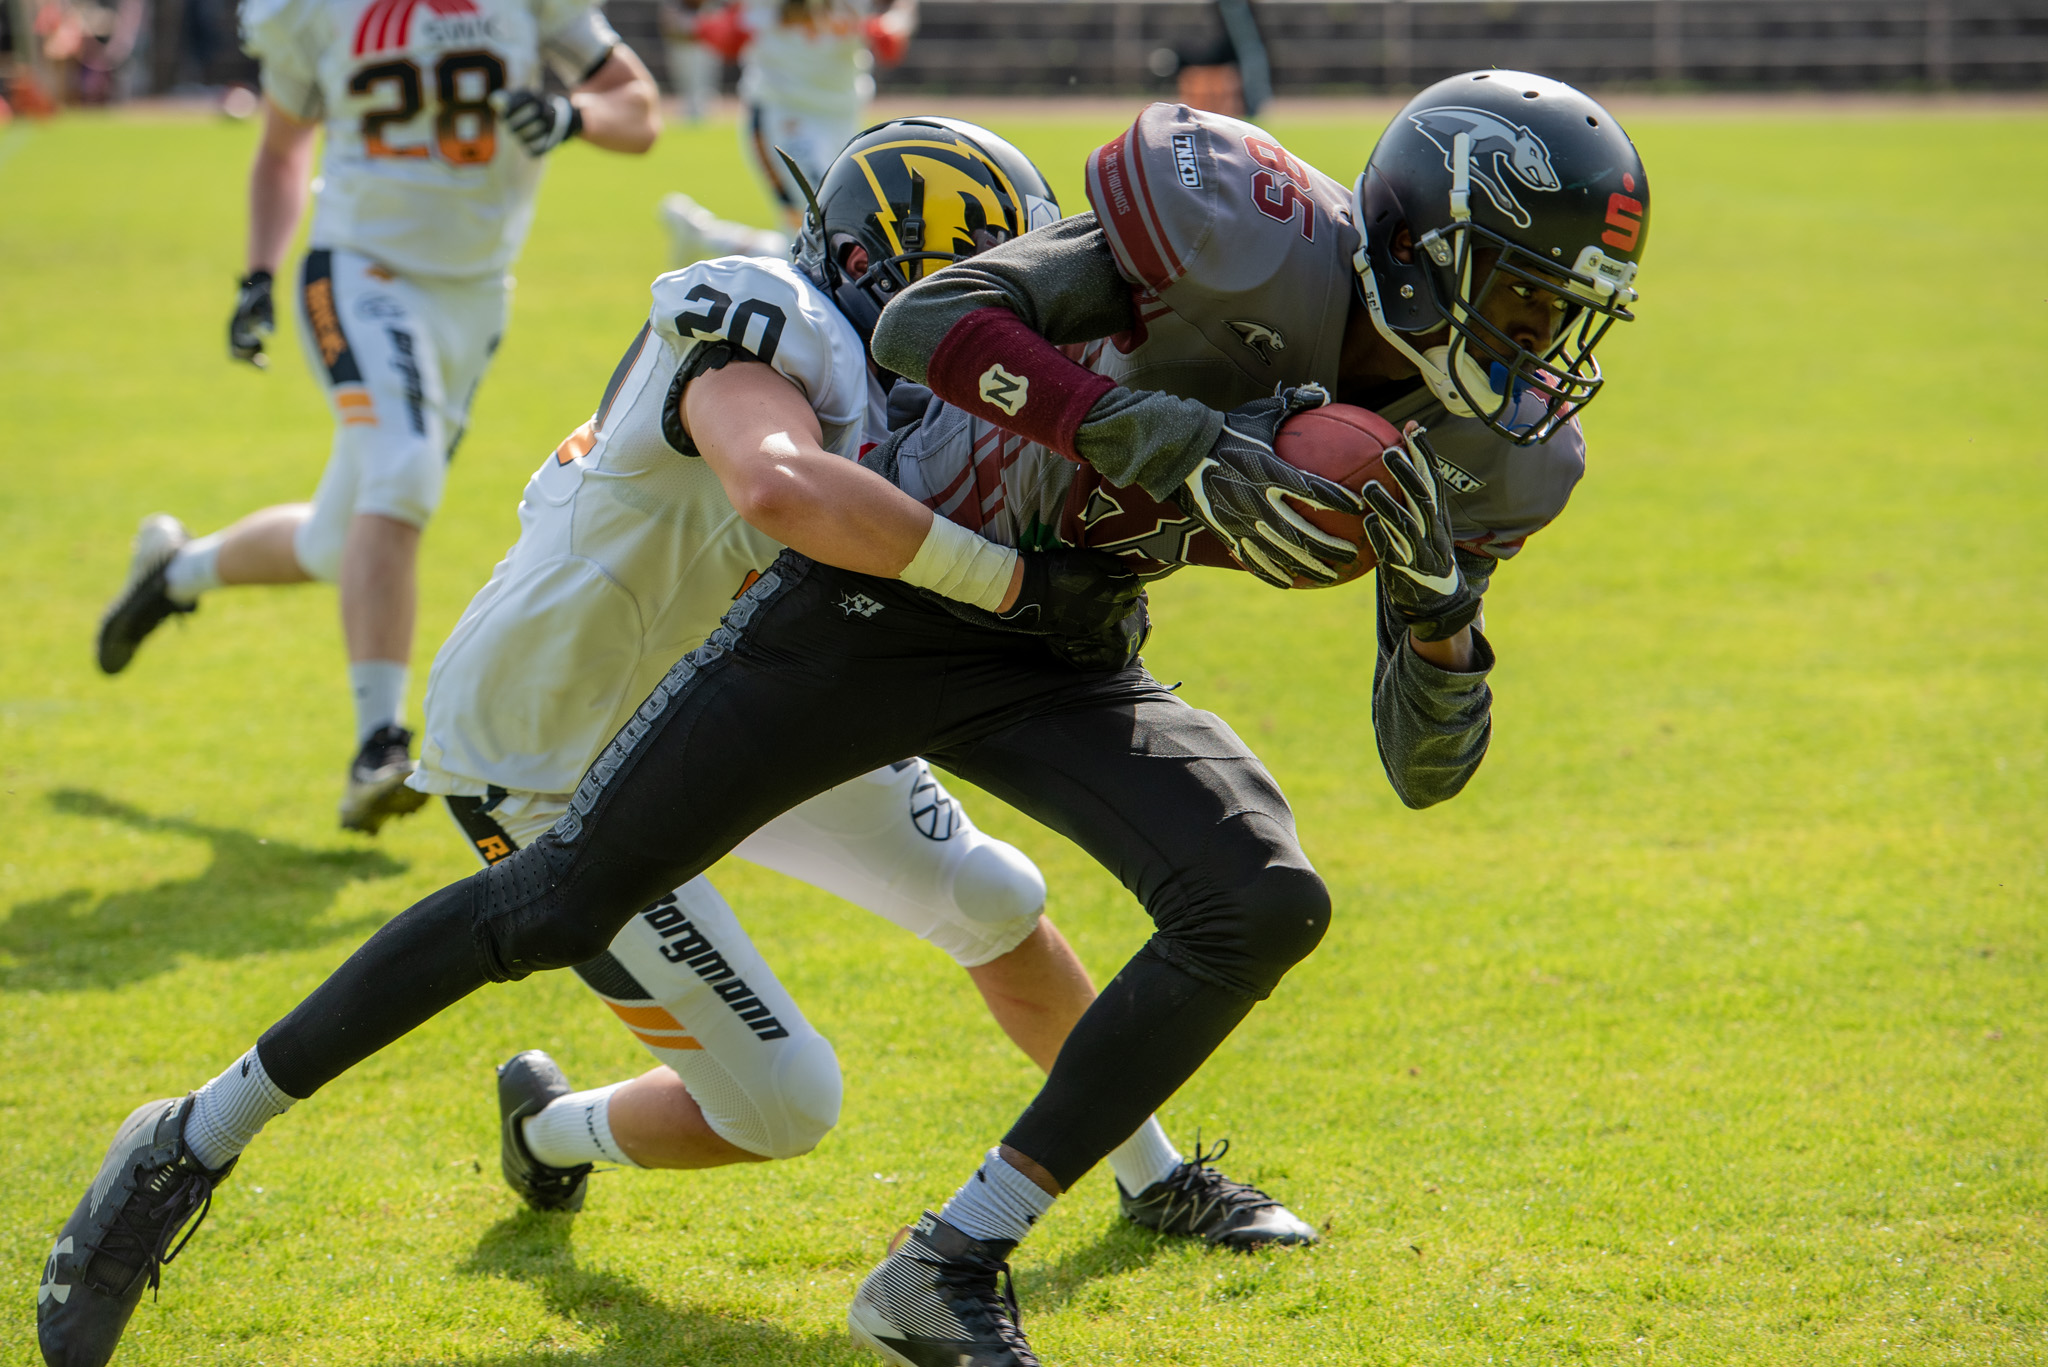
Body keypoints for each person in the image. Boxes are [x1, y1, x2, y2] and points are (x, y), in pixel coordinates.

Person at [44, 73, 1649, 1367]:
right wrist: (1170, 439)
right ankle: (192, 1135)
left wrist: (1439, 606)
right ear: (1434, 245)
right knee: (558, 903)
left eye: (1569, 308)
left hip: (1066, 633)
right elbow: (931, 326)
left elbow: (1425, 764)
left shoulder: (1495, 454)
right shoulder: (1235, 223)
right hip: (893, 603)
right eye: (1527, 295)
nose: (1541, 346)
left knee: (1261, 896)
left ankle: (950, 1260)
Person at [409, 117, 1305, 1236]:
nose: (1002, 312)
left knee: (990, 897)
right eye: (980, 277)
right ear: (888, 264)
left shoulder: (884, 370)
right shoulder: (765, 323)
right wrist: (1018, 587)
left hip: (744, 687)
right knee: (782, 1100)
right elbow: (783, 491)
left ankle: (1150, 1170)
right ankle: (550, 1127)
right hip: (551, 739)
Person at [91, 0, 661, 834]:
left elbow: (638, 112)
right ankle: (378, 746)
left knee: (340, 539)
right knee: (403, 474)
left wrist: (572, 113)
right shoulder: (317, 12)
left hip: (475, 291)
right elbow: (285, 149)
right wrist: (257, 273)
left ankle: (175, 571)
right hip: (361, 266)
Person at [657, 0, 915, 264]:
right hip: (784, 119)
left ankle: (705, 235)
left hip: (842, 120)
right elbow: (726, 36)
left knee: (815, 241)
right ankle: (707, 238)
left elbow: (892, 34)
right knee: (827, 230)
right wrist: (690, 23)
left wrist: (892, 23)